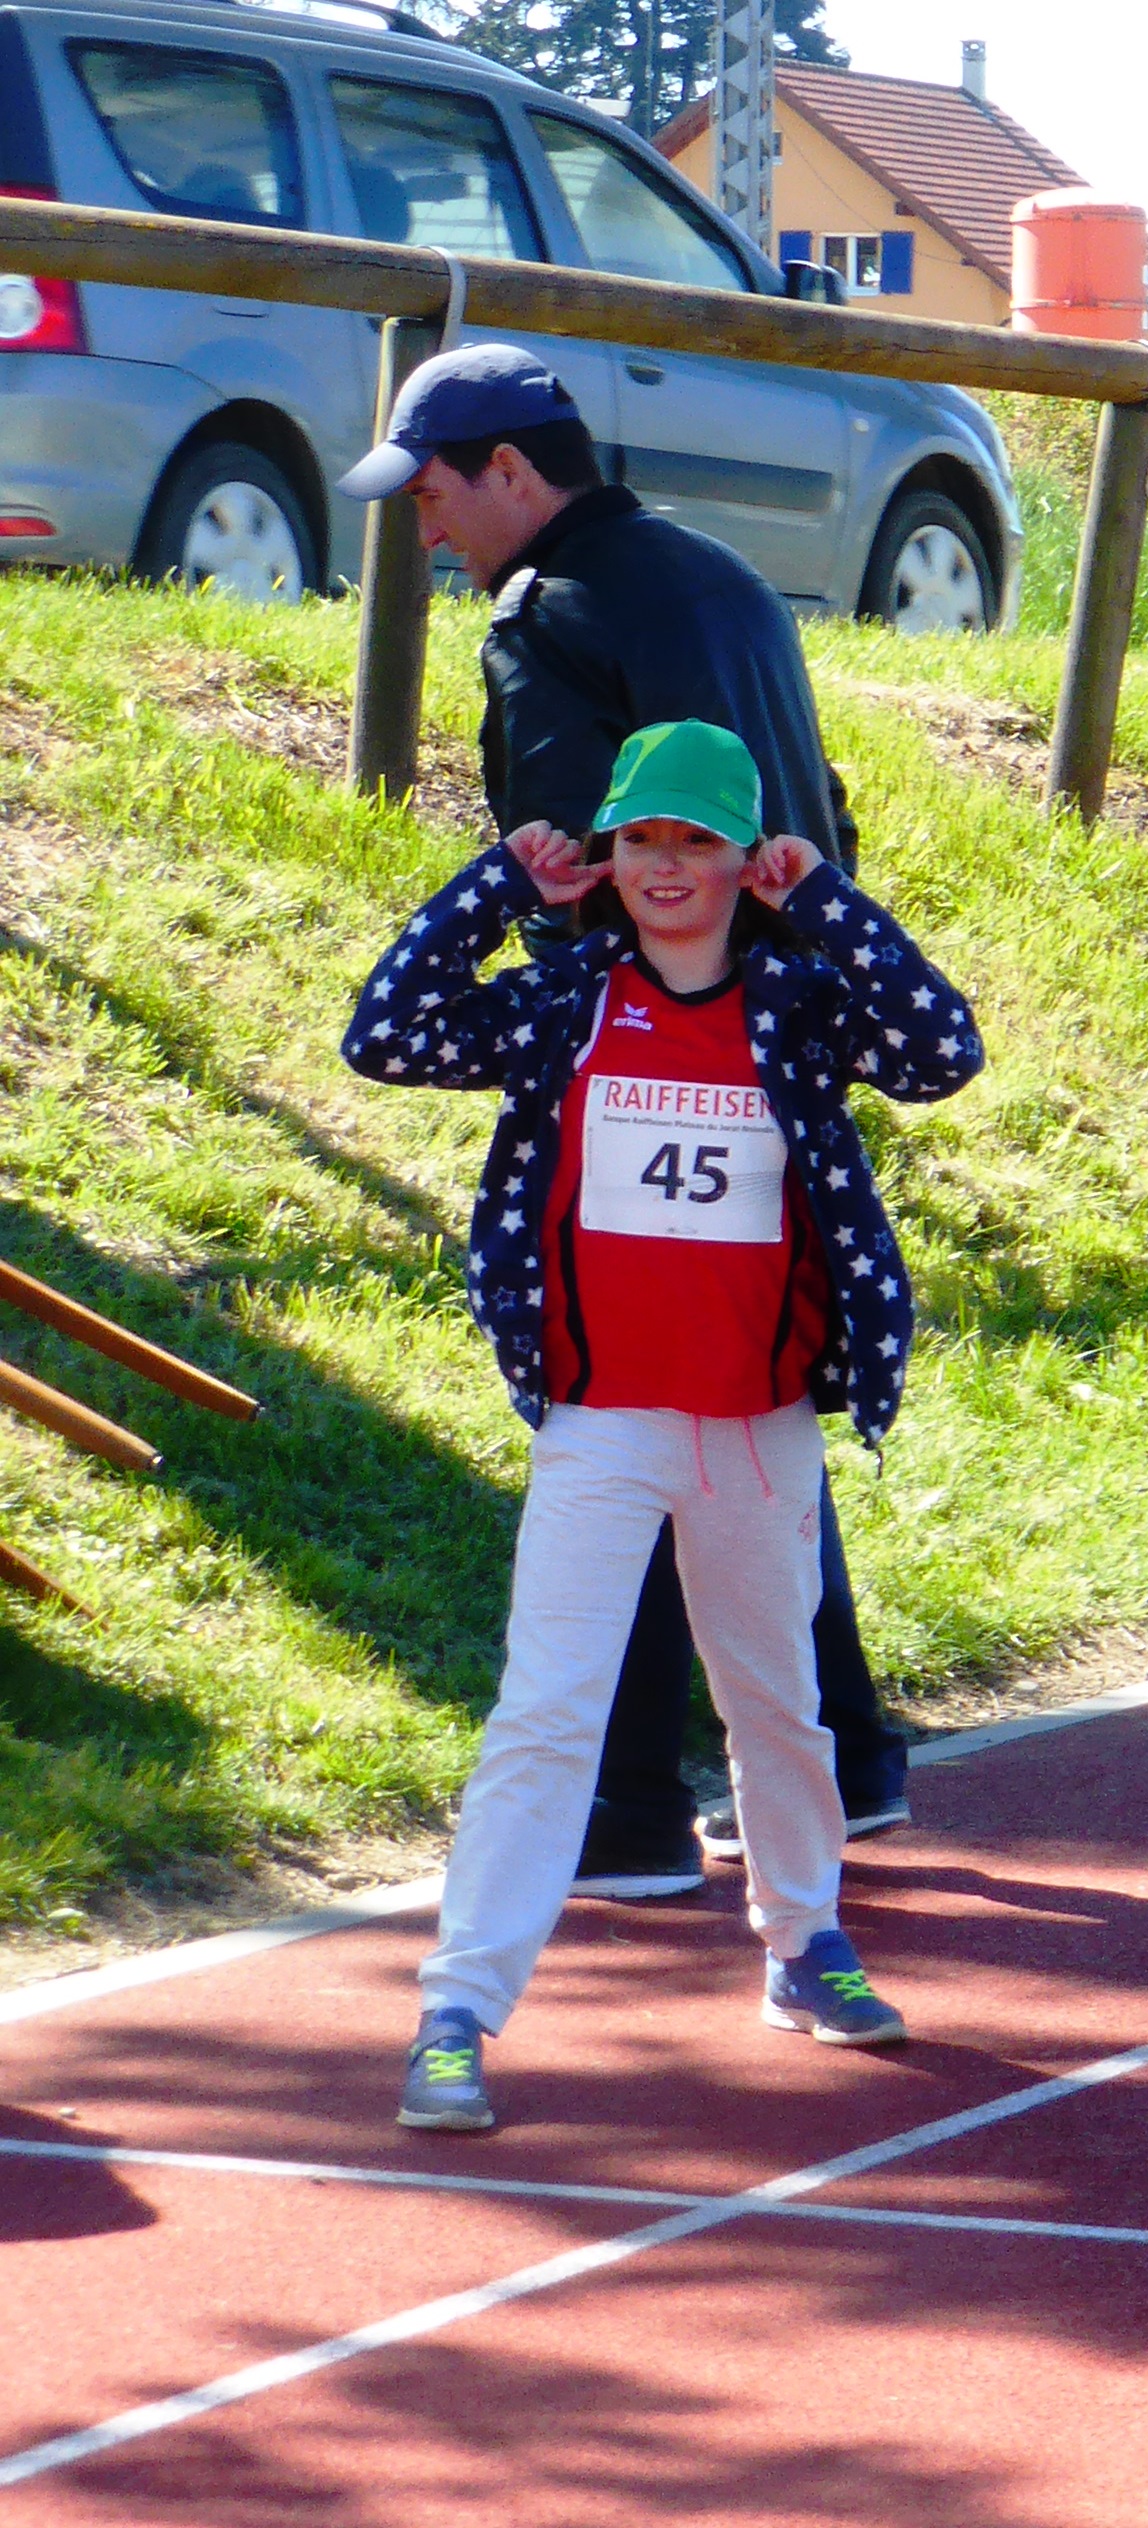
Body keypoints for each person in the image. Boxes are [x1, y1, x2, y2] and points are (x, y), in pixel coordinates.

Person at [358, 720, 986, 2133]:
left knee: (777, 1703)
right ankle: (457, 2010)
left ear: (744, 857)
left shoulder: (800, 1002)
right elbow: (384, 1034)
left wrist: (822, 899)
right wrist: (496, 890)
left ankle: (805, 1943)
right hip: (602, 1425)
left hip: (759, 1426)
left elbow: (942, 1049)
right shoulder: (563, 999)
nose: (664, 865)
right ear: (607, 850)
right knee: (544, 1713)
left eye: (697, 840)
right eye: (640, 837)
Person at [337, 342, 900, 1897]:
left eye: (434, 494)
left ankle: (631, 1808)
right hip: (776, 1030)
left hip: (642, 1053)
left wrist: (582, 1025)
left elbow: (572, 857)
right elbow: (815, 803)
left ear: (514, 472)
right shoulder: (723, 576)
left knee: (635, 1394)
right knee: (743, 1380)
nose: (426, 529)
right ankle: (845, 1758)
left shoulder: (548, 615)